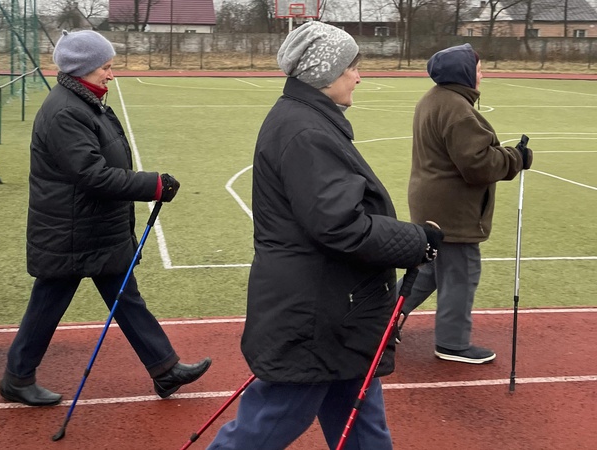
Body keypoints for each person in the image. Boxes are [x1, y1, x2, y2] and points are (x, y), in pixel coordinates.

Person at [207, 22, 444, 449]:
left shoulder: (308, 121)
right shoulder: (306, 131)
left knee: (362, 426)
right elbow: (339, 224)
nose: (359, 75)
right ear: (327, 71)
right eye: (353, 66)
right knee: (268, 424)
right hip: (316, 314)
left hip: (337, 310)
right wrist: (415, 241)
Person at [0, 30, 211, 407]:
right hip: (72, 231)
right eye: (105, 67)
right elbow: (91, 175)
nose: (111, 74)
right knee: (48, 303)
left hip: (92, 227)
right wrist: (153, 185)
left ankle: (164, 370)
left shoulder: (84, 101)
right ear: (82, 69)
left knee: (126, 297)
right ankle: (17, 378)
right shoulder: (66, 110)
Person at [395, 43, 533, 364]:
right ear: (465, 73)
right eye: (479, 68)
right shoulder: (457, 109)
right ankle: (452, 342)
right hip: (452, 211)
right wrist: (516, 158)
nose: (482, 74)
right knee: (460, 273)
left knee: (429, 269)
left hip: (431, 203)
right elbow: (477, 165)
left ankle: (378, 321)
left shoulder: (434, 99)